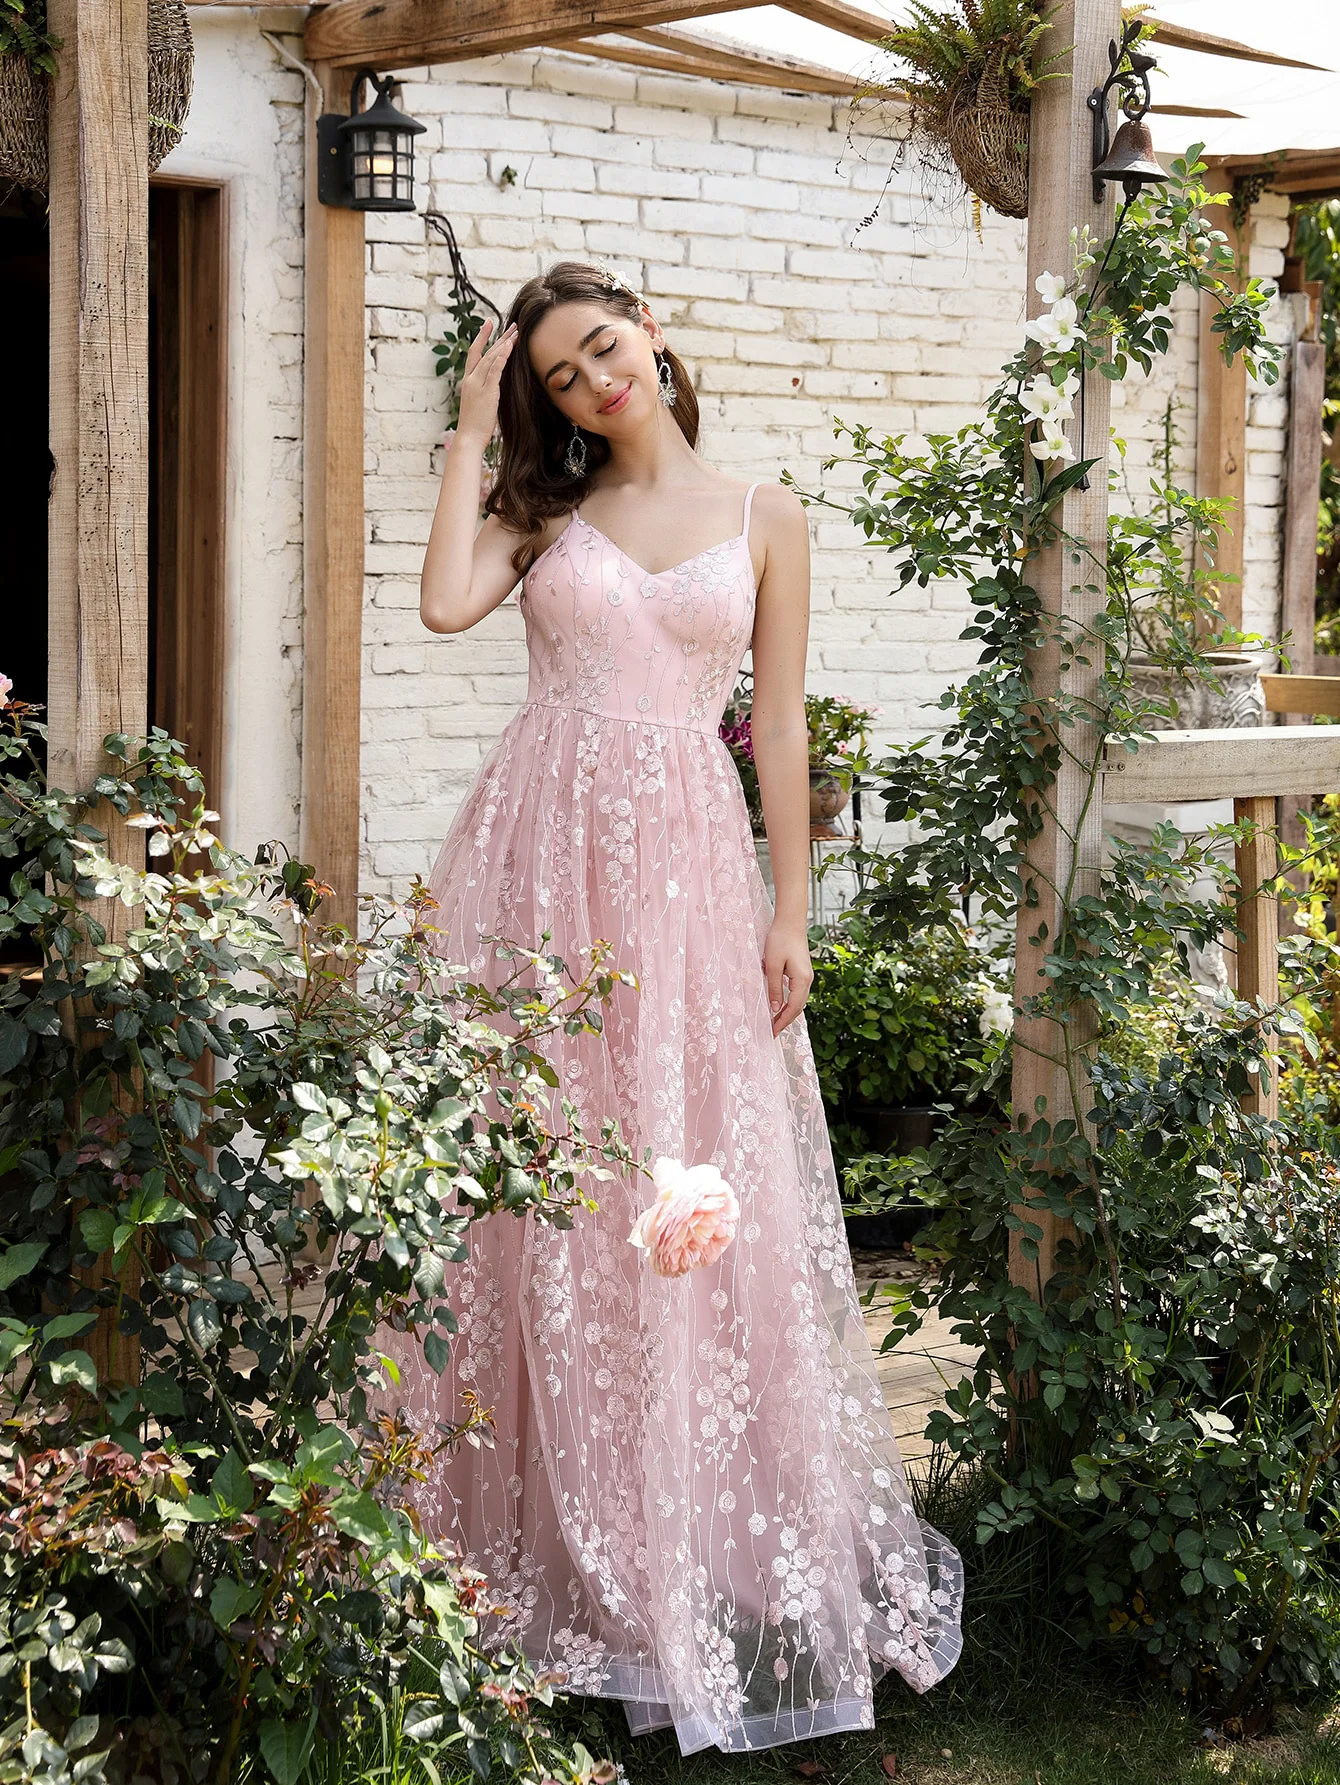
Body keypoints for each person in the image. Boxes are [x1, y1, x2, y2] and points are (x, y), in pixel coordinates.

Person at [394, 260, 962, 1755]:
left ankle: (678, 1551)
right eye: (561, 376)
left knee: (685, 1181)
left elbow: (771, 722)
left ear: (650, 330)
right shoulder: (543, 509)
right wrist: (469, 421)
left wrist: (792, 908)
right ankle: (538, 1545)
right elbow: (449, 605)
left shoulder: (766, 515)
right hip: (537, 865)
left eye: (602, 349)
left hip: (692, 876)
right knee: (539, 1187)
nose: (593, 383)